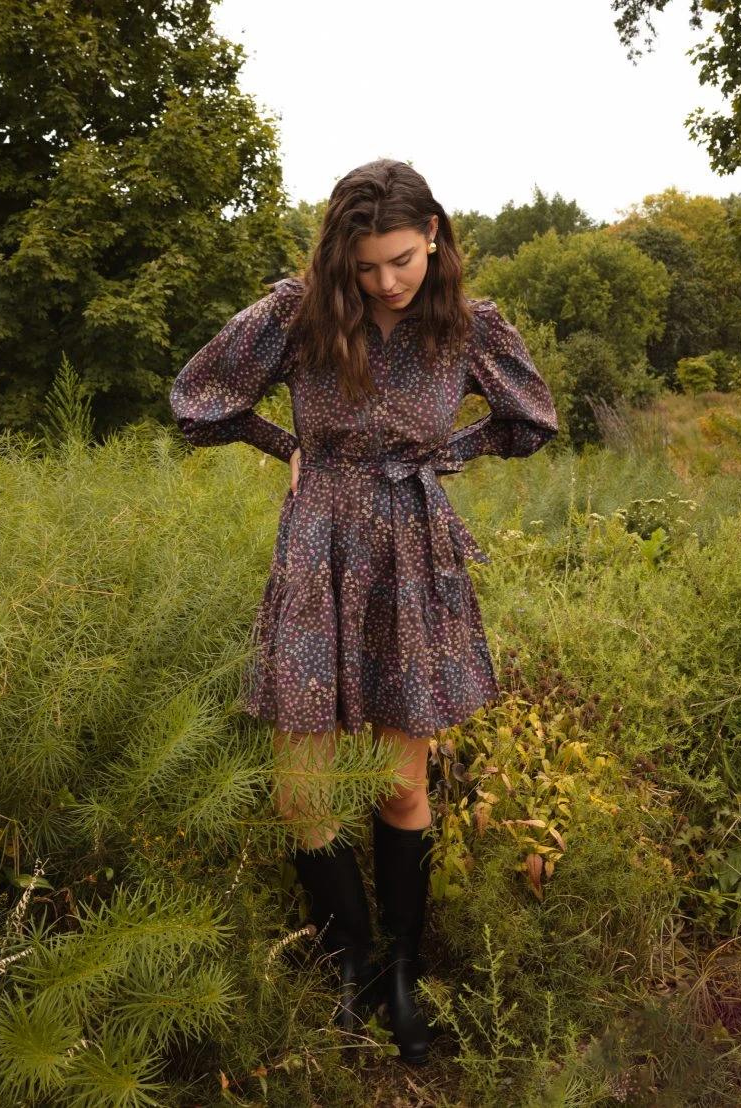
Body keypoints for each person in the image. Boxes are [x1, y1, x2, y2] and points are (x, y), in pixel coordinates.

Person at [170, 159, 558, 1063]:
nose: (385, 282)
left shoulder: (466, 328)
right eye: (366, 266)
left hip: (410, 556)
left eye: (401, 260)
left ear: (434, 237)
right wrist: (285, 444)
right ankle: (347, 964)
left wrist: (444, 456)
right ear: (339, 257)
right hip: (316, 547)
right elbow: (198, 401)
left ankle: (400, 974)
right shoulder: (298, 315)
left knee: (400, 781)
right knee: (301, 787)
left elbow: (531, 420)